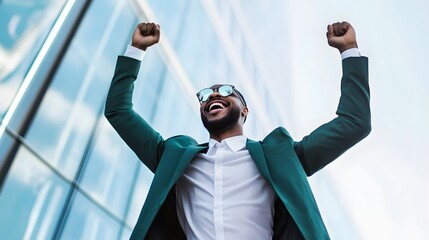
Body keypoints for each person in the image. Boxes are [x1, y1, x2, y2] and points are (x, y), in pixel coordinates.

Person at [105, 21, 371, 240]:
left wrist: (348, 51)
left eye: (225, 92)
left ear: (244, 111)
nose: (212, 96)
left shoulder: (282, 156)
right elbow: (119, 112)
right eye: (206, 95)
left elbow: (354, 123)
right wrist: (136, 50)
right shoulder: (173, 157)